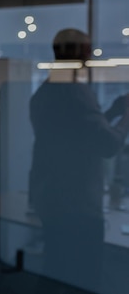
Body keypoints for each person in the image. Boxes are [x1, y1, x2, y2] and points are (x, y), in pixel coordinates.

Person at [29, 28, 129, 292]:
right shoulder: (74, 92)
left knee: (56, 272)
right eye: (86, 50)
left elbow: (81, 136)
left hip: (53, 198)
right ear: (74, 52)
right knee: (82, 279)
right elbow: (107, 144)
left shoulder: (46, 92)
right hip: (77, 203)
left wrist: (113, 112)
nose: (89, 56)